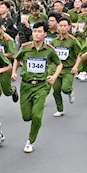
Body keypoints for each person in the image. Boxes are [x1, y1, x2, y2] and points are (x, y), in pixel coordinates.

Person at [12, 22, 62, 153]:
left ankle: (30, 141)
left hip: (41, 86)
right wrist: (13, 72)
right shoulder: (26, 48)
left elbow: (59, 64)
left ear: (45, 34)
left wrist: (54, 76)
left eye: (40, 32)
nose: (37, 34)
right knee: (26, 116)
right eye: (35, 31)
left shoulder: (49, 50)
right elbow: (17, 59)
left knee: (37, 116)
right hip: (26, 85)